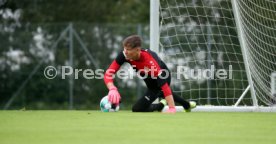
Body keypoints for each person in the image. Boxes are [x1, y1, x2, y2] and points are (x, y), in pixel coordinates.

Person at [103, 35, 196, 113]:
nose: (125, 51)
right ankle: (177, 105)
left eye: (128, 49)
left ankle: (184, 105)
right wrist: (112, 88)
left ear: (137, 50)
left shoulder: (150, 62)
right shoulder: (124, 55)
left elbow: (164, 85)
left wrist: (172, 108)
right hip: (150, 81)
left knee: (158, 92)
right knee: (139, 107)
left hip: (163, 77)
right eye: (124, 48)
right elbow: (109, 73)